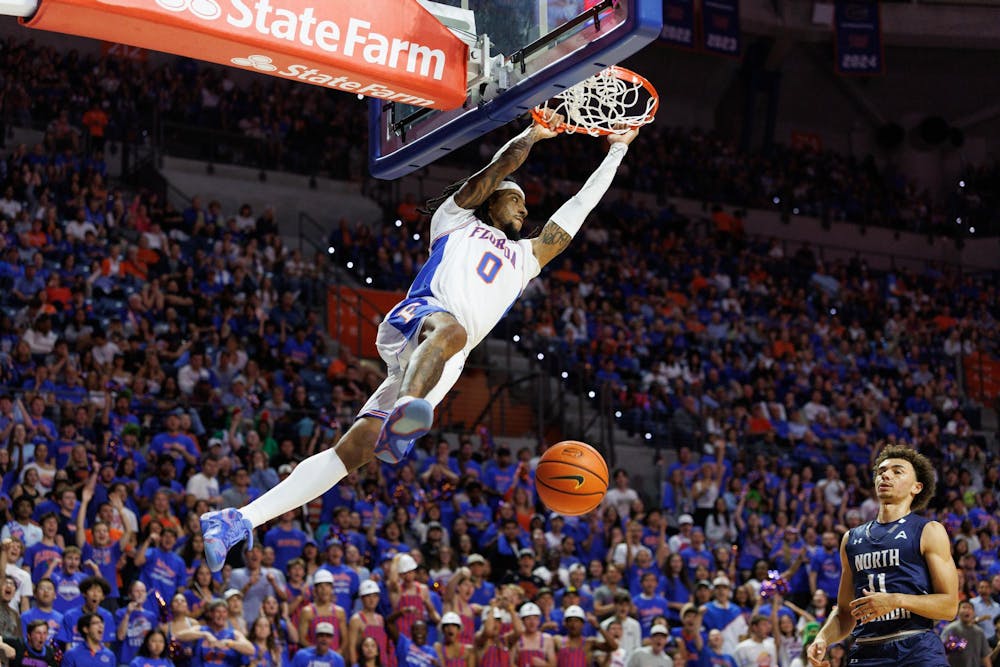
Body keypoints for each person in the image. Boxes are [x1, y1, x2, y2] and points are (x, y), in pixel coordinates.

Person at [201, 113, 640, 570]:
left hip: (444, 362)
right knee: (451, 331)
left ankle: (238, 519)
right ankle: (408, 413)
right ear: (491, 202)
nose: (524, 209)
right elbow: (497, 169)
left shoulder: (527, 257)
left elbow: (578, 207)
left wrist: (617, 150)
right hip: (420, 319)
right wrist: (533, 135)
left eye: (525, 206)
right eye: (514, 200)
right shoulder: (454, 220)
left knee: (350, 453)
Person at [807, 445, 959, 667]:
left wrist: (896, 600)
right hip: (866, 650)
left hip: (916, 647)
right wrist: (822, 638)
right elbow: (844, 613)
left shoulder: (929, 531)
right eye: (881, 471)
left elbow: (949, 606)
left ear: (917, 487)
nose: (885, 475)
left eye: (897, 471)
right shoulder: (851, 539)